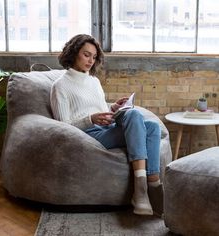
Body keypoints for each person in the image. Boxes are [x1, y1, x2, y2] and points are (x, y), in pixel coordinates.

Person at [50, 34, 163, 216]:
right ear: (73, 53)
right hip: (89, 135)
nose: (90, 61)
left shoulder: (94, 81)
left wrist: (113, 108)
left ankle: (153, 184)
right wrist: (90, 119)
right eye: (86, 55)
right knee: (139, 120)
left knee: (151, 126)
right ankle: (140, 191)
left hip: (107, 128)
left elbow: (99, 109)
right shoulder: (60, 86)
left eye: (94, 57)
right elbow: (63, 126)